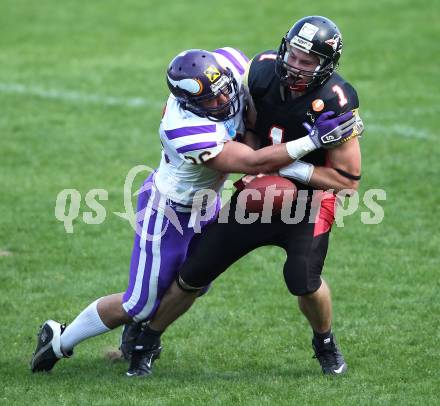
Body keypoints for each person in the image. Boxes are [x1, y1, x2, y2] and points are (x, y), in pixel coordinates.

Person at [30, 45, 354, 374]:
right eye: (209, 101)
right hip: (168, 210)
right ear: (188, 103)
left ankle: (141, 331)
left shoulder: (227, 65)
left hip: (207, 202)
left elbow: (254, 75)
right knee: (139, 304)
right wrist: (313, 141)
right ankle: (59, 340)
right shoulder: (184, 130)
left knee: (196, 280)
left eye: (223, 91)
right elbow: (253, 162)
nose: (222, 101)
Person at [122, 16, 364, 377]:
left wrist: (285, 171)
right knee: (194, 272)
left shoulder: (335, 101)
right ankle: (147, 339)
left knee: (304, 281)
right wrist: (258, 166)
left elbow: (347, 181)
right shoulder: (263, 72)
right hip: (258, 194)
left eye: (308, 61)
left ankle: (325, 342)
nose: (296, 66)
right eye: (294, 55)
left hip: (310, 201)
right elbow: (248, 127)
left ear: (325, 64)